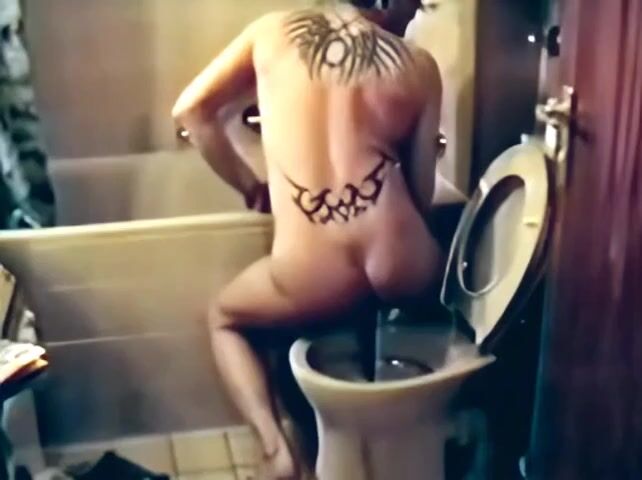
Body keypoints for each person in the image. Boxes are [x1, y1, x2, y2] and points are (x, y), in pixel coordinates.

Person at [172, 1, 444, 478]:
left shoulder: (271, 32)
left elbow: (191, 112)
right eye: (414, 4)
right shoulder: (419, 66)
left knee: (224, 319)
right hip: (403, 255)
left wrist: (249, 185)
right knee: (390, 312)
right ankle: (395, 439)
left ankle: (276, 450)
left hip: (313, 271)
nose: (415, 15)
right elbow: (421, 194)